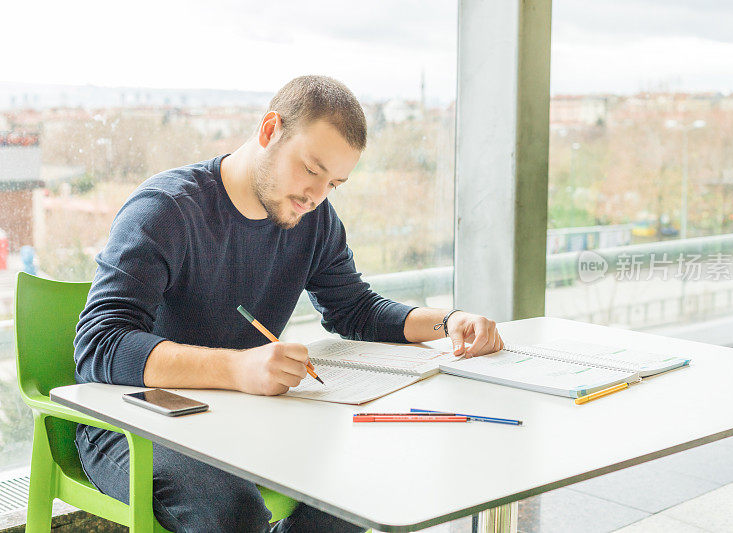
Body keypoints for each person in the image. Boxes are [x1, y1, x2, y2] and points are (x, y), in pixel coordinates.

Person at [74, 75, 504, 533]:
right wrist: (239, 369)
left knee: (363, 484)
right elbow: (99, 345)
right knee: (229, 507)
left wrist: (450, 321)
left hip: (238, 414)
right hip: (131, 420)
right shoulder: (166, 209)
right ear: (269, 130)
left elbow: (355, 309)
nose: (316, 195)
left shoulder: (312, 220)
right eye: (311, 168)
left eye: (334, 183)